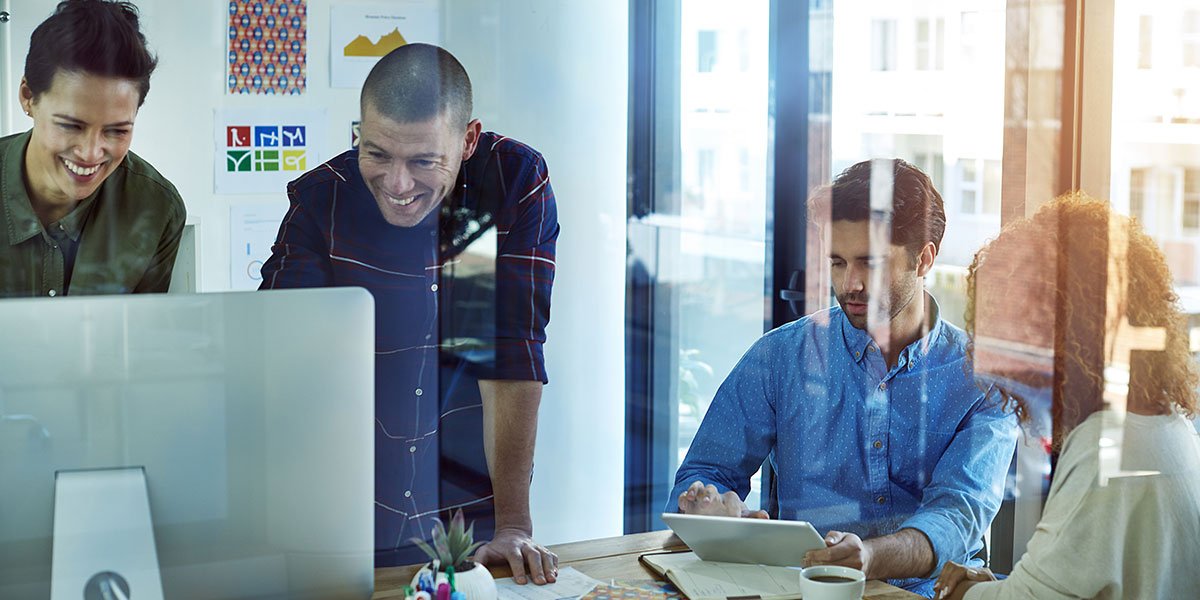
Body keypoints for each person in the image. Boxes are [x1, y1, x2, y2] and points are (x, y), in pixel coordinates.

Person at [259, 43, 560, 584]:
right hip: (341, 508)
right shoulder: (322, 201)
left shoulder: (509, 182)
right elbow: (279, 358)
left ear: (468, 140)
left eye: (423, 161)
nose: (398, 184)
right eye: (377, 154)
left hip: (469, 523)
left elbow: (508, 352)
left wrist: (513, 524)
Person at [669, 159, 1018, 597]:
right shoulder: (780, 357)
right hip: (809, 590)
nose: (850, 284)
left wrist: (870, 557)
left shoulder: (983, 381)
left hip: (930, 592)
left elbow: (957, 514)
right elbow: (706, 471)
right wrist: (711, 512)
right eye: (837, 262)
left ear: (924, 258)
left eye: (870, 263)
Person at [933, 194, 1200, 600]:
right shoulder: (1169, 427)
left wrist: (961, 593)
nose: (1007, 375)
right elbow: (1063, 587)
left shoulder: (1105, 449)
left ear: (1067, 334)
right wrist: (1004, 587)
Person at [0, 0, 185, 297]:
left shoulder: (156, 209)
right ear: (28, 96)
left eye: (117, 130)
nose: (90, 153)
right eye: (71, 125)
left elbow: (142, 325)